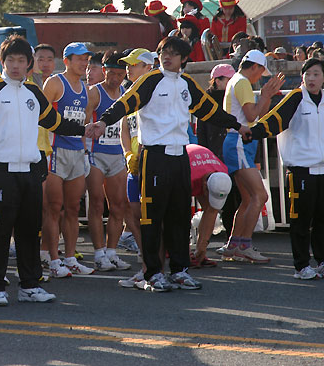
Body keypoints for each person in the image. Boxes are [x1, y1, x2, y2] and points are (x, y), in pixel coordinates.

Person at [88, 36, 249, 292]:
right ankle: (152, 273)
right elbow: (125, 104)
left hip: (180, 156)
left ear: (184, 58)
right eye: (164, 52)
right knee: (152, 218)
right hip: (154, 156)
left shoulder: (187, 84)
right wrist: (103, 123)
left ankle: (179, 270)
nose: (167, 56)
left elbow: (209, 110)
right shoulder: (150, 80)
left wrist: (238, 126)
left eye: (174, 53)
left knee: (180, 216)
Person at [0, 35, 87, 306]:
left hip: (31, 171)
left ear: (29, 65)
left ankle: (30, 285)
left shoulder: (34, 92)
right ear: (3, 62)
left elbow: (55, 122)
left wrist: (85, 129)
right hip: (1, 171)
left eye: (21, 60)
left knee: (30, 231)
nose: (15, 65)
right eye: (10, 60)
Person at [250, 58, 324, 279]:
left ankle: (321, 261)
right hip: (301, 169)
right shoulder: (296, 98)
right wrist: (252, 132)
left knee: (322, 219)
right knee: (301, 220)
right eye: (307, 74)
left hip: (322, 170)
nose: (311, 78)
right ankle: (301, 266)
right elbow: (274, 121)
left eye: (316, 74)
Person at [220, 50, 285, 263]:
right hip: (239, 142)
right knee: (260, 196)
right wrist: (265, 95)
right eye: (260, 72)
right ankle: (244, 245)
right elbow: (251, 116)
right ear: (255, 67)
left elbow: (257, 115)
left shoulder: (238, 81)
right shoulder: (242, 83)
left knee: (249, 198)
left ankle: (234, 244)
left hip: (238, 142)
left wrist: (265, 96)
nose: (260, 77)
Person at [42, 42, 95, 277]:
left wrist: (84, 152)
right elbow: (40, 117)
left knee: (73, 208)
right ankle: (53, 260)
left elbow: (82, 124)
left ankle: (70, 257)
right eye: (80, 59)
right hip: (55, 151)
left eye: (87, 59)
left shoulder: (85, 87)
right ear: (67, 61)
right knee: (54, 208)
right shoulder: (54, 83)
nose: (84, 63)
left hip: (76, 152)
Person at [86, 51, 132, 272]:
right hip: (96, 153)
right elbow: (84, 124)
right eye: (111, 73)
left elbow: (125, 126)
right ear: (104, 71)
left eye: (120, 74)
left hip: (116, 154)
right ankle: (98, 253)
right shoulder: (95, 93)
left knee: (119, 205)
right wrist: (85, 153)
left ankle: (112, 252)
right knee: (96, 204)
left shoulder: (125, 93)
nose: (115, 78)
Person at [116, 49, 158, 287]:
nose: (129, 68)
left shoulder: (153, 92)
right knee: (131, 212)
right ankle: (145, 262)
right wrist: (128, 153)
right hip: (134, 163)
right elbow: (125, 129)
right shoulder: (128, 92)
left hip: (152, 161)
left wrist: (141, 153)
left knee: (150, 216)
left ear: (148, 67)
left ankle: (153, 267)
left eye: (134, 65)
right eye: (128, 65)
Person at [186, 144, 232, 268]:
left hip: (202, 166)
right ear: (205, 186)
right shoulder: (187, 175)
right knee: (179, 211)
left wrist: (202, 247)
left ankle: (198, 252)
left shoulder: (223, 174)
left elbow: (212, 211)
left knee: (210, 208)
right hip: (182, 166)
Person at [197, 64, 235, 160]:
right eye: (229, 79)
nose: (233, 83)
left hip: (232, 149)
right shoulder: (205, 101)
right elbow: (201, 130)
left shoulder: (234, 97)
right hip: (212, 150)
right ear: (218, 81)